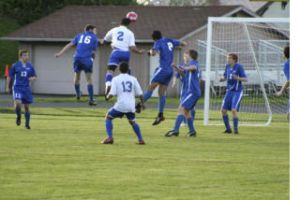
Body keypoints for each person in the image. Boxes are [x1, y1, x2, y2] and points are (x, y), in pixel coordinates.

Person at [136, 30, 187, 126]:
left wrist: (150, 52)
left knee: (150, 88)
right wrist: (180, 45)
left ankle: (138, 105)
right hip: (170, 71)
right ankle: (160, 115)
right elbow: (183, 43)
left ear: (154, 38)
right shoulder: (168, 40)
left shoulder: (157, 42)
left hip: (163, 69)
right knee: (161, 93)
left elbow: (153, 53)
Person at [101, 62, 145, 145]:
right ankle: (141, 139)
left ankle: (110, 138)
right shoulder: (133, 79)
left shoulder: (116, 79)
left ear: (119, 69)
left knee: (108, 117)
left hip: (121, 105)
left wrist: (107, 97)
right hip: (131, 106)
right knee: (133, 122)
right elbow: (140, 93)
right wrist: (143, 104)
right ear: (128, 69)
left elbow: (112, 94)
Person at [55, 24, 98, 106]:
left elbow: (69, 45)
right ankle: (91, 99)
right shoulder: (94, 37)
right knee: (89, 79)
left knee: (77, 76)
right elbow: (93, 52)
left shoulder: (79, 35)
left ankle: (78, 94)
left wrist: (60, 53)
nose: (96, 32)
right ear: (90, 30)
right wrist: (92, 59)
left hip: (77, 58)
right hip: (86, 59)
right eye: (95, 30)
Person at [103, 17, 144, 99]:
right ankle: (128, 91)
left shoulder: (114, 30)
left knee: (110, 71)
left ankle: (108, 84)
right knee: (126, 73)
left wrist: (110, 43)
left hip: (116, 52)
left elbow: (104, 42)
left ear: (120, 23)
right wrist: (139, 52)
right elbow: (132, 47)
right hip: (125, 53)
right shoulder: (130, 33)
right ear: (128, 24)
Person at [165, 50, 201, 137]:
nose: (185, 56)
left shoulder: (194, 62)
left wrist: (184, 68)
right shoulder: (188, 65)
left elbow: (193, 68)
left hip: (193, 91)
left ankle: (175, 130)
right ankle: (192, 131)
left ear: (190, 55)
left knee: (181, 109)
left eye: (186, 55)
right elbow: (182, 74)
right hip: (190, 91)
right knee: (186, 111)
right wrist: (176, 67)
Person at [6, 50, 37, 129]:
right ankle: (19, 116)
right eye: (25, 55)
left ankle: (27, 124)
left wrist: (31, 78)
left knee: (26, 107)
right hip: (17, 87)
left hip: (26, 88)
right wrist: (7, 87)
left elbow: (35, 76)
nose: (27, 57)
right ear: (21, 56)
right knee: (18, 103)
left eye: (27, 55)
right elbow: (9, 76)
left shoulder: (30, 65)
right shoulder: (15, 65)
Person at [220, 53, 247, 134]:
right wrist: (222, 79)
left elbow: (245, 79)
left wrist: (238, 78)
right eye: (227, 58)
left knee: (233, 110)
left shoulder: (239, 67)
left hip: (237, 91)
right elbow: (225, 76)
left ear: (234, 60)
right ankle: (228, 129)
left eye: (229, 58)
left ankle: (235, 130)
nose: (227, 60)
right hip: (229, 91)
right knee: (223, 110)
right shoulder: (227, 66)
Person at [276, 46, 290, 121]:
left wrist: (281, 91)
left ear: (285, 54)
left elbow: (290, 80)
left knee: (289, 116)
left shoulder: (287, 64)